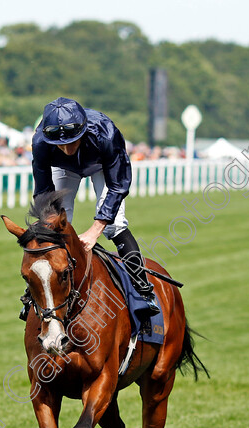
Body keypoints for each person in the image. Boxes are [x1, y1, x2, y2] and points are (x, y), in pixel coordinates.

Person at [20, 96, 161, 321]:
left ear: (83, 131)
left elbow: (118, 185)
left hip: (101, 165)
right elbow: (44, 189)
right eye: (60, 144)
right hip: (64, 169)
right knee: (52, 224)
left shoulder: (106, 134)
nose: (66, 148)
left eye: (72, 141)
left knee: (114, 225)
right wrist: (46, 222)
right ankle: (36, 294)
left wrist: (95, 230)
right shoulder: (40, 142)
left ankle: (143, 292)